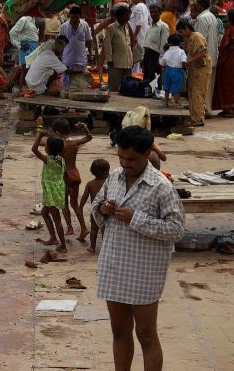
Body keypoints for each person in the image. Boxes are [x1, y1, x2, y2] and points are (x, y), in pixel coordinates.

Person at [91, 126, 184, 371]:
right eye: (121, 157)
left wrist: (136, 218)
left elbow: (176, 229)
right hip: (114, 264)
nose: (125, 163)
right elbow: (96, 205)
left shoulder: (161, 187)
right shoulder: (115, 177)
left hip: (144, 270)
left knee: (146, 334)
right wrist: (104, 208)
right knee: (119, 330)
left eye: (131, 159)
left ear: (146, 155)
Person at [51, 119, 93, 240]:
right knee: (75, 204)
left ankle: (70, 228)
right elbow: (89, 137)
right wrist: (84, 126)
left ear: (58, 132)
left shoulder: (59, 145)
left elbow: (41, 144)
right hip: (74, 175)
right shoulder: (75, 143)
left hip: (64, 176)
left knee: (64, 204)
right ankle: (84, 228)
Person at [32, 131, 68, 253]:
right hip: (57, 190)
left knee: (56, 219)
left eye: (46, 146)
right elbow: (65, 175)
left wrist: (39, 135)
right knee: (44, 213)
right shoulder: (61, 159)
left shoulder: (48, 160)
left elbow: (34, 149)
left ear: (48, 149)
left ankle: (63, 245)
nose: (45, 147)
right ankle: (53, 238)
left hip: (51, 193)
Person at [212, 9, 234, 118]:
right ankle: (227, 108)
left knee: (232, 84)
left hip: (232, 62)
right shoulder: (230, 29)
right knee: (225, 84)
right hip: (227, 61)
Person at [177, 19, 211, 127]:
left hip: (201, 68)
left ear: (187, 28)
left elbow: (203, 52)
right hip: (194, 68)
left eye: (182, 32)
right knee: (192, 91)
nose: (181, 35)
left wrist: (189, 61)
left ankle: (198, 118)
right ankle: (194, 117)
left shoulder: (197, 36)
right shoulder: (187, 38)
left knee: (198, 92)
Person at [192, 0, 219, 116]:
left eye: (196, 3)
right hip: (212, 54)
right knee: (208, 86)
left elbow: (200, 40)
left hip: (204, 57)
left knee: (201, 86)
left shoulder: (202, 18)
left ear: (200, 5)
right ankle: (206, 109)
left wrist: (195, 57)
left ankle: (201, 110)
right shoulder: (212, 16)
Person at [58, 5, 93, 90]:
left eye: (76, 18)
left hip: (81, 59)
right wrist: (59, 57)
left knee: (81, 83)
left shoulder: (84, 25)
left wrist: (90, 55)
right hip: (67, 60)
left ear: (80, 17)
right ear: (69, 16)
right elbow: (59, 43)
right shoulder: (63, 27)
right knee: (65, 85)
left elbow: (89, 41)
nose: (74, 20)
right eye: (72, 18)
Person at [101, 4, 133, 92]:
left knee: (127, 89)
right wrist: (109, 59)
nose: (128, 18)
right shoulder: (111, 28)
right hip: (115, 64)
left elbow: (128, 44)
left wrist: (131, 59)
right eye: (127, 15)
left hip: (127, 63)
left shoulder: (126, 27)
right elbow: (107, 44)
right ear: (120, 16)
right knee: (114, 89)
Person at [81, 158, 110, 253]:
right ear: (104, 172)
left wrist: (80, 206)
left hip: (95, 210)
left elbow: (84, 197)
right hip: (106, 210)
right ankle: (105, 247)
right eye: (107, 170)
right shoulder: (109, 182)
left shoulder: (90, 184)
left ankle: (92, 247)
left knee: (94, 229)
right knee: (104, 229)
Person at [142, 5, 169, 90]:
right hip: (147, 54)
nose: (153, 14)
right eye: (151, 12)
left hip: (155, 55)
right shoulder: (149, 26)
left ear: (160, 13)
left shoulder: (163, 26)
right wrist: (143, 57)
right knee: (146, 77)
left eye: (155, 12)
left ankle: (155, 96)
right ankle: (147, 94)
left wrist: (160, 59)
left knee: (155, 77)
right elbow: (146, 42)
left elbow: (164, 45)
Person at [159, 33, 187, 108]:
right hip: (178, 71)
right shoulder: (181, 52)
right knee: (176, 88)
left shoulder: (167, 52)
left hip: (168, 71)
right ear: (180, 42)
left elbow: (161, 63)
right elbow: (184, 61)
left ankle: (166, 102)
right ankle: (176, 103)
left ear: (170, 43)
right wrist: (184, 68)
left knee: (167, 87)